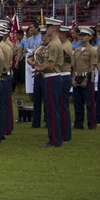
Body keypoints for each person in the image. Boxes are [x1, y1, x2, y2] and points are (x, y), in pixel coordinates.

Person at [33, 18, 65, 147]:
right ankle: (54, 138)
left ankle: (55, 139)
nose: (46, 30)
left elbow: (51, 65)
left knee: (52, 110)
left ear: (53, 29)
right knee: (53, 109)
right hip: (52, 77)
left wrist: (40, 68)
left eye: (48, 27)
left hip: (52, 77)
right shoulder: (54, 43)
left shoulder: (53, 44)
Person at [72, 27, 97, 130]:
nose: (82, 37)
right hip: (77, 76)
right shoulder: (76, 50)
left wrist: (86, 80)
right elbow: (73, 67)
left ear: (90, 37)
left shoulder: (92, 50)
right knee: (77, 103)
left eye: (84, 36)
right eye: (81, 35)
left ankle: (91, 123)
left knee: (90, 103)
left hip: (87, 77)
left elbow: (92, 67)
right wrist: (73, 78)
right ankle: (78, 123)